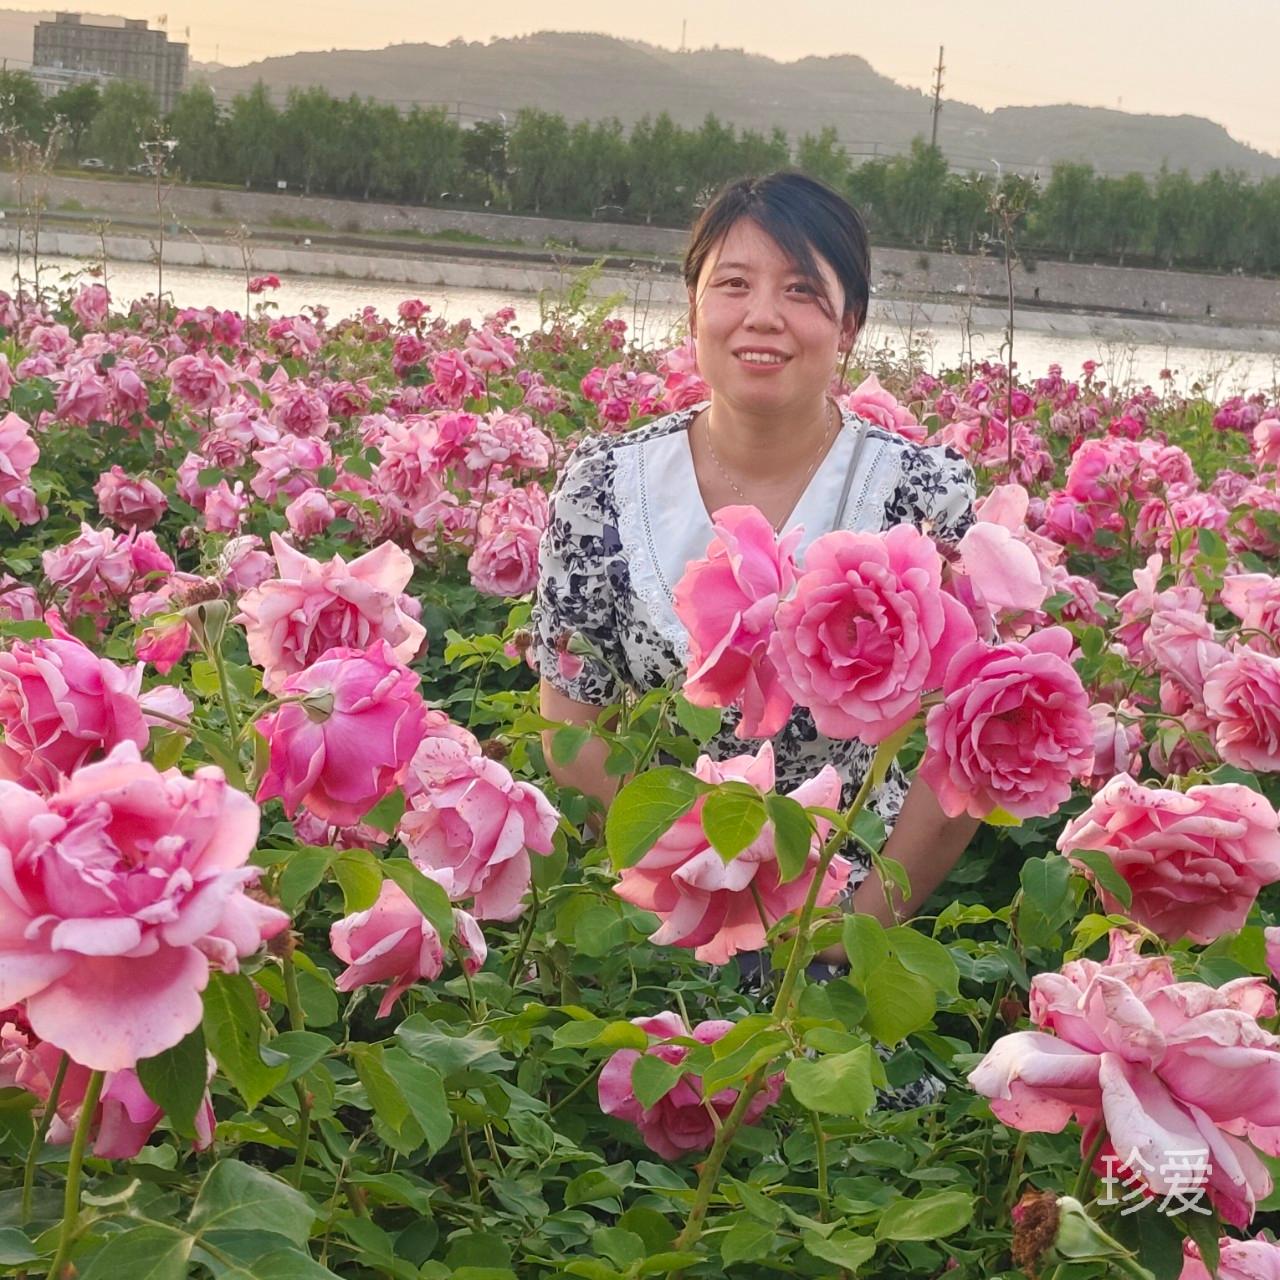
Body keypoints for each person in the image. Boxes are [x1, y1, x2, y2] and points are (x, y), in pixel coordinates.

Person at [531, 171, 980, 928]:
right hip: (658, 919)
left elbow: (967, 752)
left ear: (849, 326)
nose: (763, 317)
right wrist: (711, 867)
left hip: (845, 929)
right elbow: (570, 730)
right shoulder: (603, 487)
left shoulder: (923, 500)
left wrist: (850, 928)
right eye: (733, 284)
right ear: (695, 308)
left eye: (803, 290)